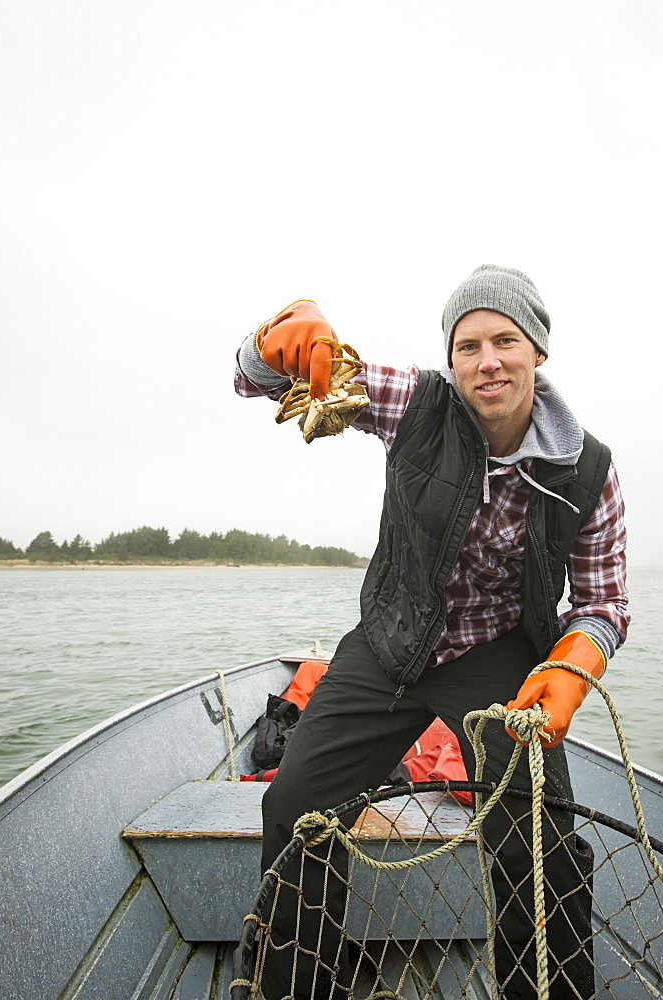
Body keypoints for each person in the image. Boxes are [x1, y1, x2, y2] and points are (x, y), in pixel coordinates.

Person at [234, 265, 629, 1000]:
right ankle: (296, 986)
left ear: (536, 351)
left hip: (498, 656)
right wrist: (278, 338)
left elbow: (605, 602)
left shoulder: (589, 469)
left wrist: (576, 660)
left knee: (540, 847)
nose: (487, 360)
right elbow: (252, 379)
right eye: (467, 345)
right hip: (388, 642)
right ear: (450, 361)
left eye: (504, 340)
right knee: (292, 812)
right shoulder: (416, 403)